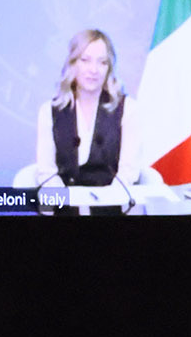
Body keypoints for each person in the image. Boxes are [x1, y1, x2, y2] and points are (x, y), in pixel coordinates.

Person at [32, 27, 142, 214]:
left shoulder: (128, 109)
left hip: (109, 210)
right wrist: (68, 203)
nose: (94, 70)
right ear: (73, 63)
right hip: (65, 209)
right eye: (85, 60)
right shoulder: (49, 111)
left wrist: (105, 203)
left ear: (109, 68)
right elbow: (46, 172)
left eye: (102, 62)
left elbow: (128, 172)